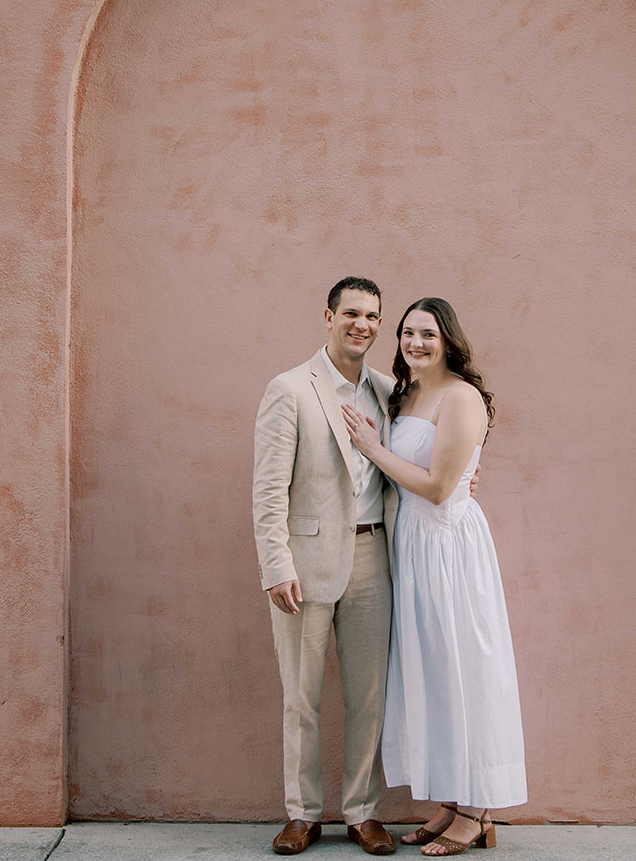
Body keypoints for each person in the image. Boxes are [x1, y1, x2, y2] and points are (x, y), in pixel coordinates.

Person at [342, 297, 527, 856]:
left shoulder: (462, 396)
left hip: (451, 551)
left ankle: (479, 809)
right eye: (406, 333)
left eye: (427, 334)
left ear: (448, 339)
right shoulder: (406, 395)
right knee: (434, 675)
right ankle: (451, 800)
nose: (414, 342)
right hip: (415, 549)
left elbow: (441, 488)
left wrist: (372, 448)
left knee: (464, 669)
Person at [252, 277, 399, 856]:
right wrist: (275, 564)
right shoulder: (290, 389)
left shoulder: (389, 393)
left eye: (372, 316)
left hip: (374, 556)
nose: (362, 324)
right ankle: (303, 813)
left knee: (369, 695)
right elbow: (268, 490)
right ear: (329, 316)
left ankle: (363, 812)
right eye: (352, 314)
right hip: (305, 561)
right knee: (301, 694)